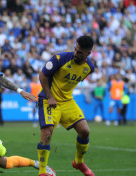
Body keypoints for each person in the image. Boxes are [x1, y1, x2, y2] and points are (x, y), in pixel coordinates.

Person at [37, 36, 95, 176]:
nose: (76, 53)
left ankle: (79, 162)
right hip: (48, 99)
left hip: (67, 101)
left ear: (88, 54)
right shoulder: (60, 58)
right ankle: (43, 172)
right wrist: (50, 96)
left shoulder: (89, 68)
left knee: (85, 131)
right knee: (47, 133)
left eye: (80, 52)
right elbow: (42, 76)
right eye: (75, 49)